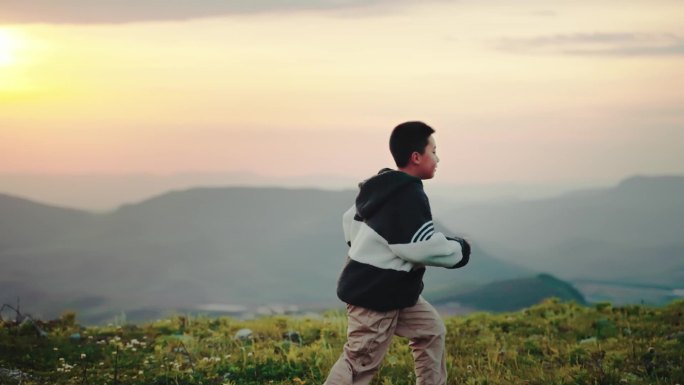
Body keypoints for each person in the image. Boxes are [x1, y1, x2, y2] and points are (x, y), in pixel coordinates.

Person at [324, 121, 471, 385]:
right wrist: (459, 249)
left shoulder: (382, 186)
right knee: (360, 362)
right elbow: (418, 247)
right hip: (375, 295)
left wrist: (366, 249)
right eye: (434, 151)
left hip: (396, 291)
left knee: (431, 332)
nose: (438, 158)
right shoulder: (407, 194)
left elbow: (350, 220)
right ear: (416, 157)